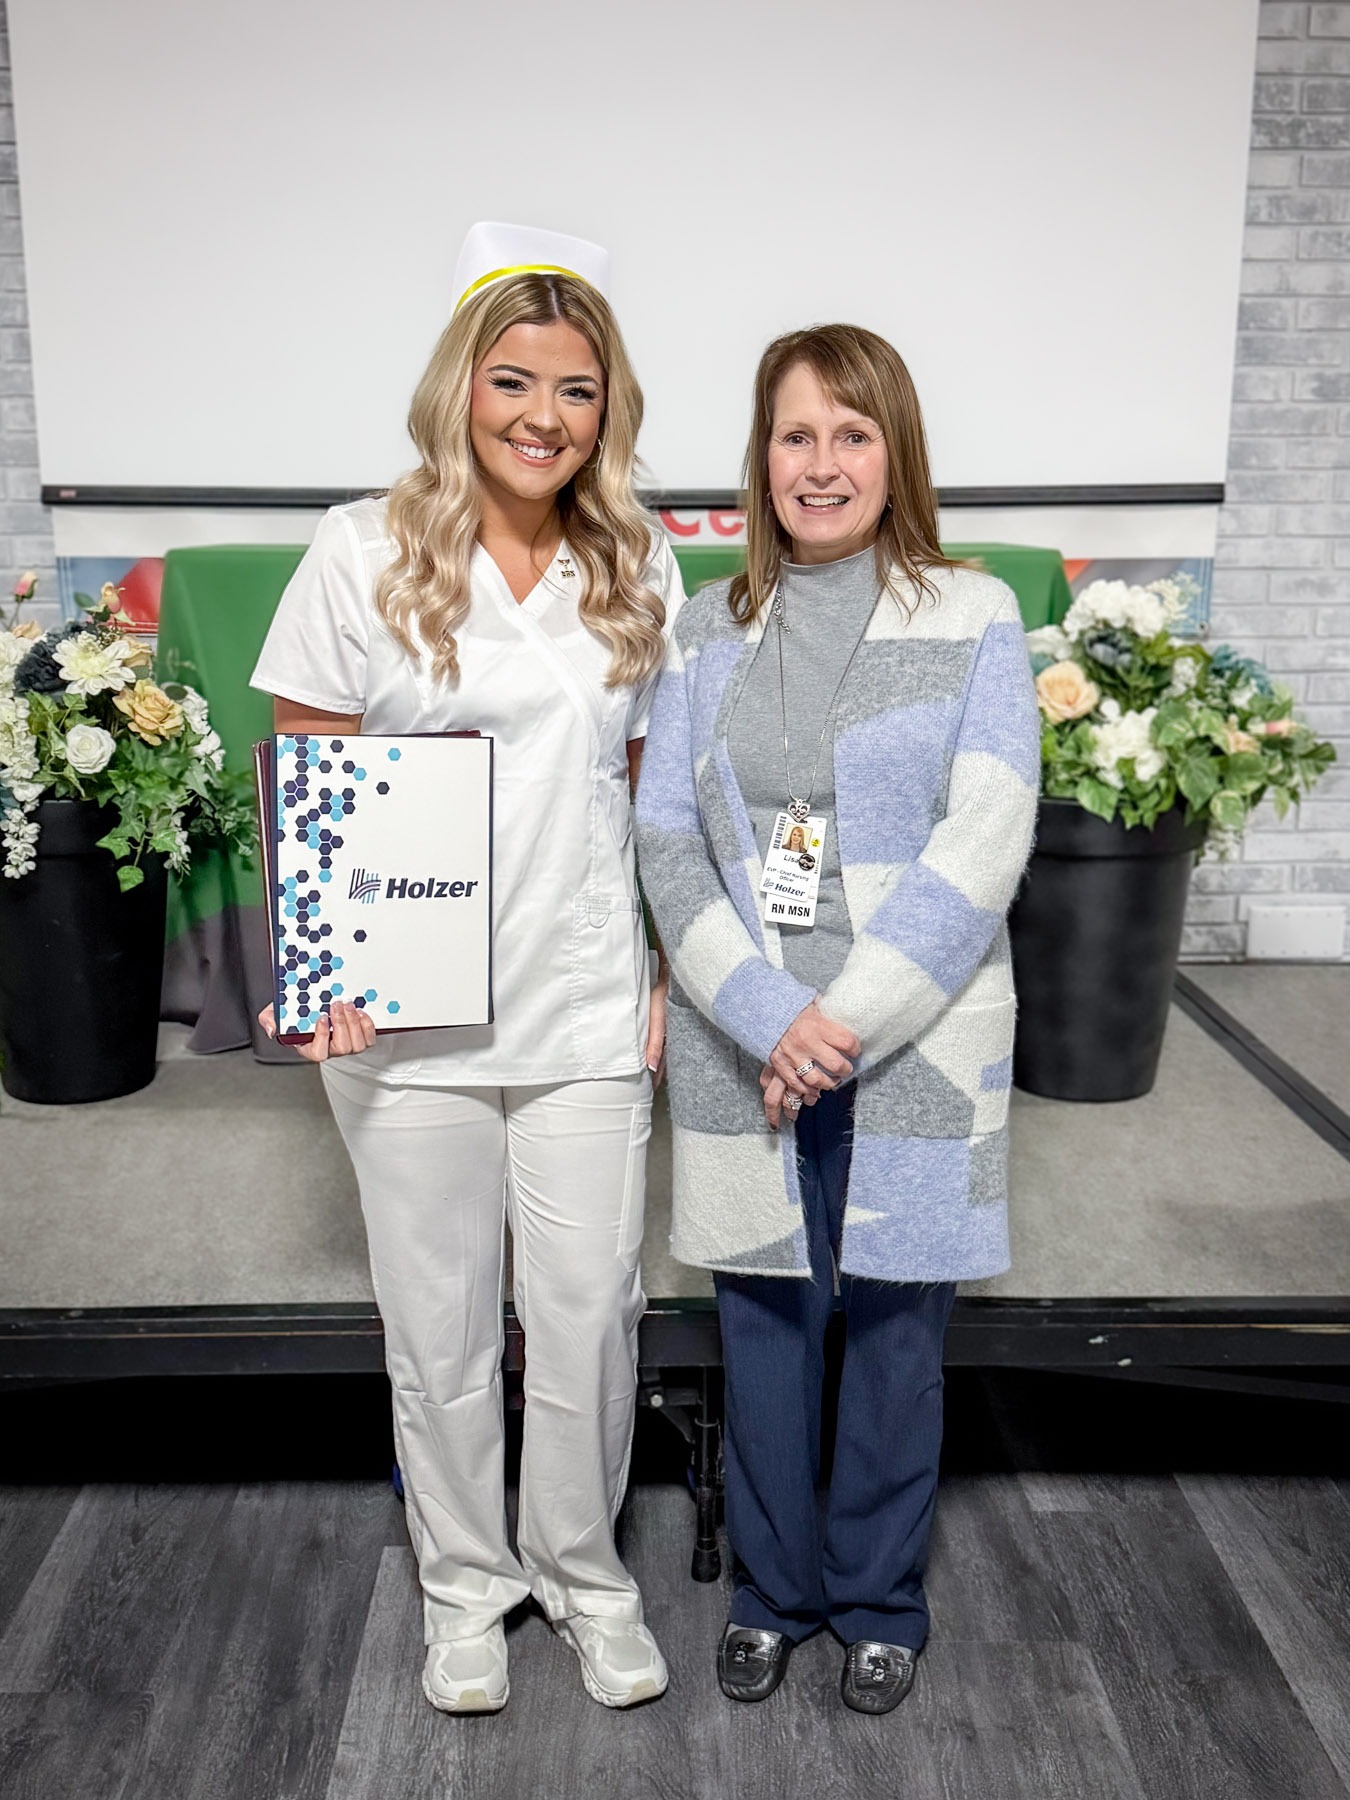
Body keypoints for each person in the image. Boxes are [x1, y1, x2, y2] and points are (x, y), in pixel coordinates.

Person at [252, 223, 684, 1715]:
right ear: (461, 385)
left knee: (587, 1313)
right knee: (435, 1325)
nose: (542, 418)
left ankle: (583, 1577)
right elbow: (307, 766)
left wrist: (665, 973)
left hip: (576, 1003)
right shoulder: (359, 547)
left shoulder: (638, 562)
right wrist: (321, 969)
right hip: (409, 1018)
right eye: (514, 381)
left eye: (576, 391)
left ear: (605, 409)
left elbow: (649, 792)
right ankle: (464, 1590)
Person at [635, 324, 1039, 1713]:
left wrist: (841, 1023)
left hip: (912, 1032)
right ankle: (771, 1590)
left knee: (890, 1329)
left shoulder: (973, 610)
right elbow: (664, 837)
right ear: (760, 454)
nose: (820, 464)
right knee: (760, 1316)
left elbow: (983, 839)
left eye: (850, 434)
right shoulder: (707, 621)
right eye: (794, 434)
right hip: (744, 1036)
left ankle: (877, 1599)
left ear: (893, 453)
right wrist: (762, 1012)